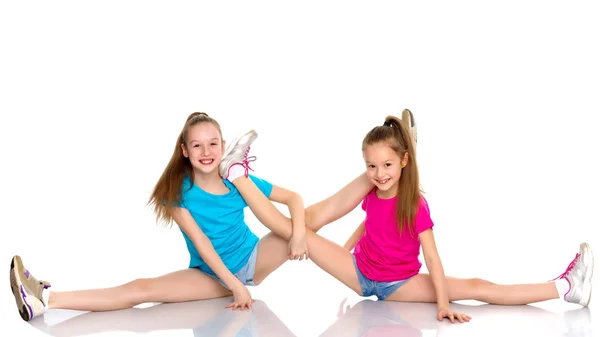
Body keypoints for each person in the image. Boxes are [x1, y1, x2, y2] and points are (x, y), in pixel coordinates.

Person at [10, 112, 310, 322]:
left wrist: (297, 237)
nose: (206, 151)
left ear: (223, 146)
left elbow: (293, 198)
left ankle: (352, 264)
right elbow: (202, 242)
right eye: (197, 145)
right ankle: (46, 299)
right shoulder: (177, 191)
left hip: (254, 257)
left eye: (213, 143)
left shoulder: (237, 179)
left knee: (309, 221)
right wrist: (235, 285)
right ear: (184, 150)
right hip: (212, 274)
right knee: (142, 288)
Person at [301, 111, 594, 324]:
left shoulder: (415, 205)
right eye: (371, 166)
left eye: (387, 165)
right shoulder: (372, 191)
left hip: (399, 284)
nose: (378, 174)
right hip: (360, 273)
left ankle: (565, 287)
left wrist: (443, 304)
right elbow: (371, 223)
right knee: (300, 231)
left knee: (478, 286)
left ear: (403, 161)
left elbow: (432, 257)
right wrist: (345, 249)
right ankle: (255, 196)